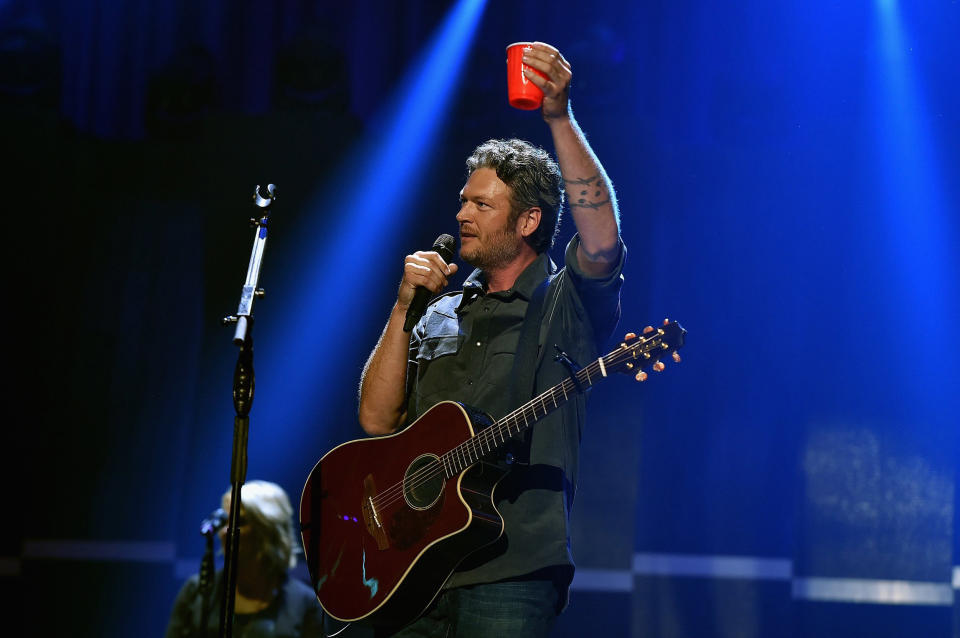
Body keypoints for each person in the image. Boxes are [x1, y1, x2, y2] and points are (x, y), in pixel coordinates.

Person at [357, 42, 625, 636]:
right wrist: (405, 306)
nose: (462, 215)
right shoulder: (441, 305)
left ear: (528, 221)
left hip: (510, 571)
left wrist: (559, 116)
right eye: (462, 201)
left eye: (482, 204)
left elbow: (602, 244)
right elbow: (377, 421)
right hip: (411, 570)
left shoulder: (564, 305)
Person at [164, 480, 325, 638]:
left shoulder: (304, 604)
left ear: (267, 531)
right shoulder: (197, 592)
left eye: (238, 522)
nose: (226, 531)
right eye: (224, 521)